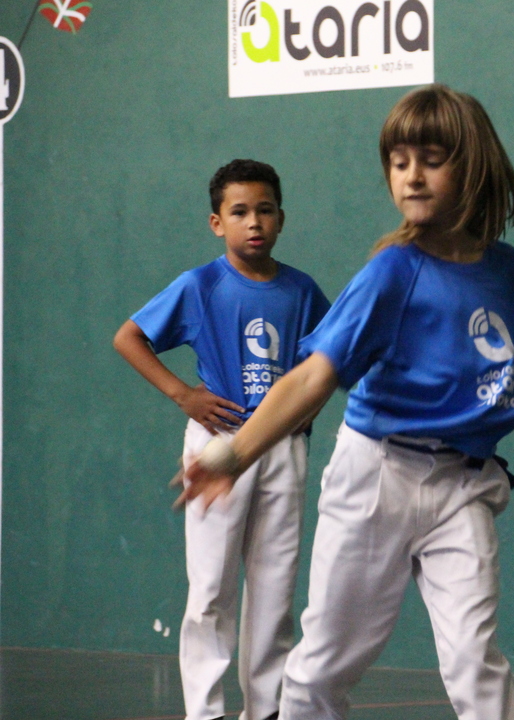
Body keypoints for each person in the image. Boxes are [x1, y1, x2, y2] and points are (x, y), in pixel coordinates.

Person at [180, 86, 514, 720]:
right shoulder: (392, 272)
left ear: (472, 166)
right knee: (322, 667)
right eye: (399, 163)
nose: (411, 176)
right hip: (376, 476)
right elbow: (311, 380)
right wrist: (235, 454)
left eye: (430, 160)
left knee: (475, 659)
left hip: (464, 484)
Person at [114, 159, 331, 720]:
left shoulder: (303, 291)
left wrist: (305, 414)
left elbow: (328, 365)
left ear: (281, 218)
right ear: (217, 223)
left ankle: (266, 710)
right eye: (239, 212)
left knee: (275, 588)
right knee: (211, 588)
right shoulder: (200, 285)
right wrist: (183, 394)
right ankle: (206, 712)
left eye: (265, 210)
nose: (253, 222)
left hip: (281, 448)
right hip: (217, 445)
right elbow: (128, 337)